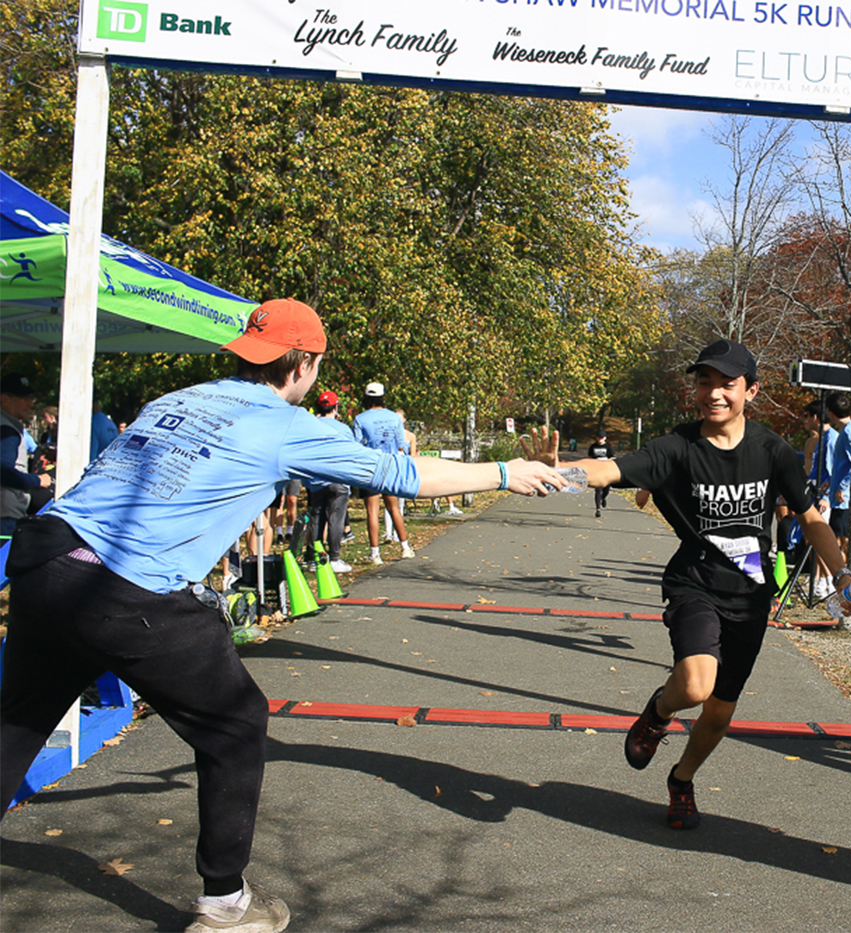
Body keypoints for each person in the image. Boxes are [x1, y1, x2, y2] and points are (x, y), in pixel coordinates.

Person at [0, 298, 567, 933]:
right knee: (236, 724)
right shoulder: (288, 426)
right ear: (306, 365)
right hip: (127, 589)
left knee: (19, 722)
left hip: (47, 564)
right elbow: (399, 474)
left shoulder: (176, 400)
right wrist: (502, 471)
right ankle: (224, 907)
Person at [523, 339, 851, 831]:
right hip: (695, 584)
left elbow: (811, 519)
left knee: (719, 715)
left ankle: (681, 780)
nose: (714, 393)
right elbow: (612, 470)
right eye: (705, 382)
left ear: (751, 390)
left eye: (727, 383)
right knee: (696, 683)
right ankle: (658, 712)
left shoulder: (773, 450)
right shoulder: (676, 447)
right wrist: (561, 473)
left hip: (751, 595)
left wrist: (844, 574)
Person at [353, 382, 413, 564]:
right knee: (394, 508)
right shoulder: (394, 418)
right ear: (383, 397)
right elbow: (402, 443)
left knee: (372, 512)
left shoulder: (360, 419)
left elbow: (356, 444)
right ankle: (405, 547)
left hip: (371, 467)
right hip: (390, 466)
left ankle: (375, 553)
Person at [303, 390, 354, 573]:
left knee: (317, 518)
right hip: (338, 478)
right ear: (336, 407)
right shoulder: (344, 429)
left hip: (317, 479)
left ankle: (313, 558)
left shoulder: (310, 426)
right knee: (336, 518)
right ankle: (334, 558)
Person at [1, 374, 52, 538]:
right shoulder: (7, 430)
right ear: (4, 399)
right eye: (24, 398)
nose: (30, 403)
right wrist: (37, 480)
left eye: (31, 398)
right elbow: (3, 472)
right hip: (5, 516)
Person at [804, 399, 836, 597]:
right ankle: (822, 581)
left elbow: (834, 471)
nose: (804, 421)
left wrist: (827, 497)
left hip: (823, 497)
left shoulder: (832, 438)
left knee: (820, 539)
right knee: (811, 540)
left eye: (807, 416)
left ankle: (830, 581)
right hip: (814, 491)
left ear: (816, 417)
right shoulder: (821, 439)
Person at [820, 392, 851, 560]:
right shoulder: (845, 431)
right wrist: (831, 481)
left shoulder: (850, 432)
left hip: (844, 500)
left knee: (844, 542)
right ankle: (839, 581)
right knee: (837, 542)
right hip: (837, 498)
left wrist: (843, 486)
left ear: (831, 413)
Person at [587, 430, 616, 518]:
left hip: (606, 469)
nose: (600, 439)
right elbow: (589, 457)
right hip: (597, 470)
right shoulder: (593, 447)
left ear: (605, 438)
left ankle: (603, 498)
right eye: (599, 437)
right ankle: (598, 509)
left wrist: (608, 462)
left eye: (602, 437)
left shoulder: (608, 446)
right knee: (598, 489)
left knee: (606, 489)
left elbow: (613, 457)